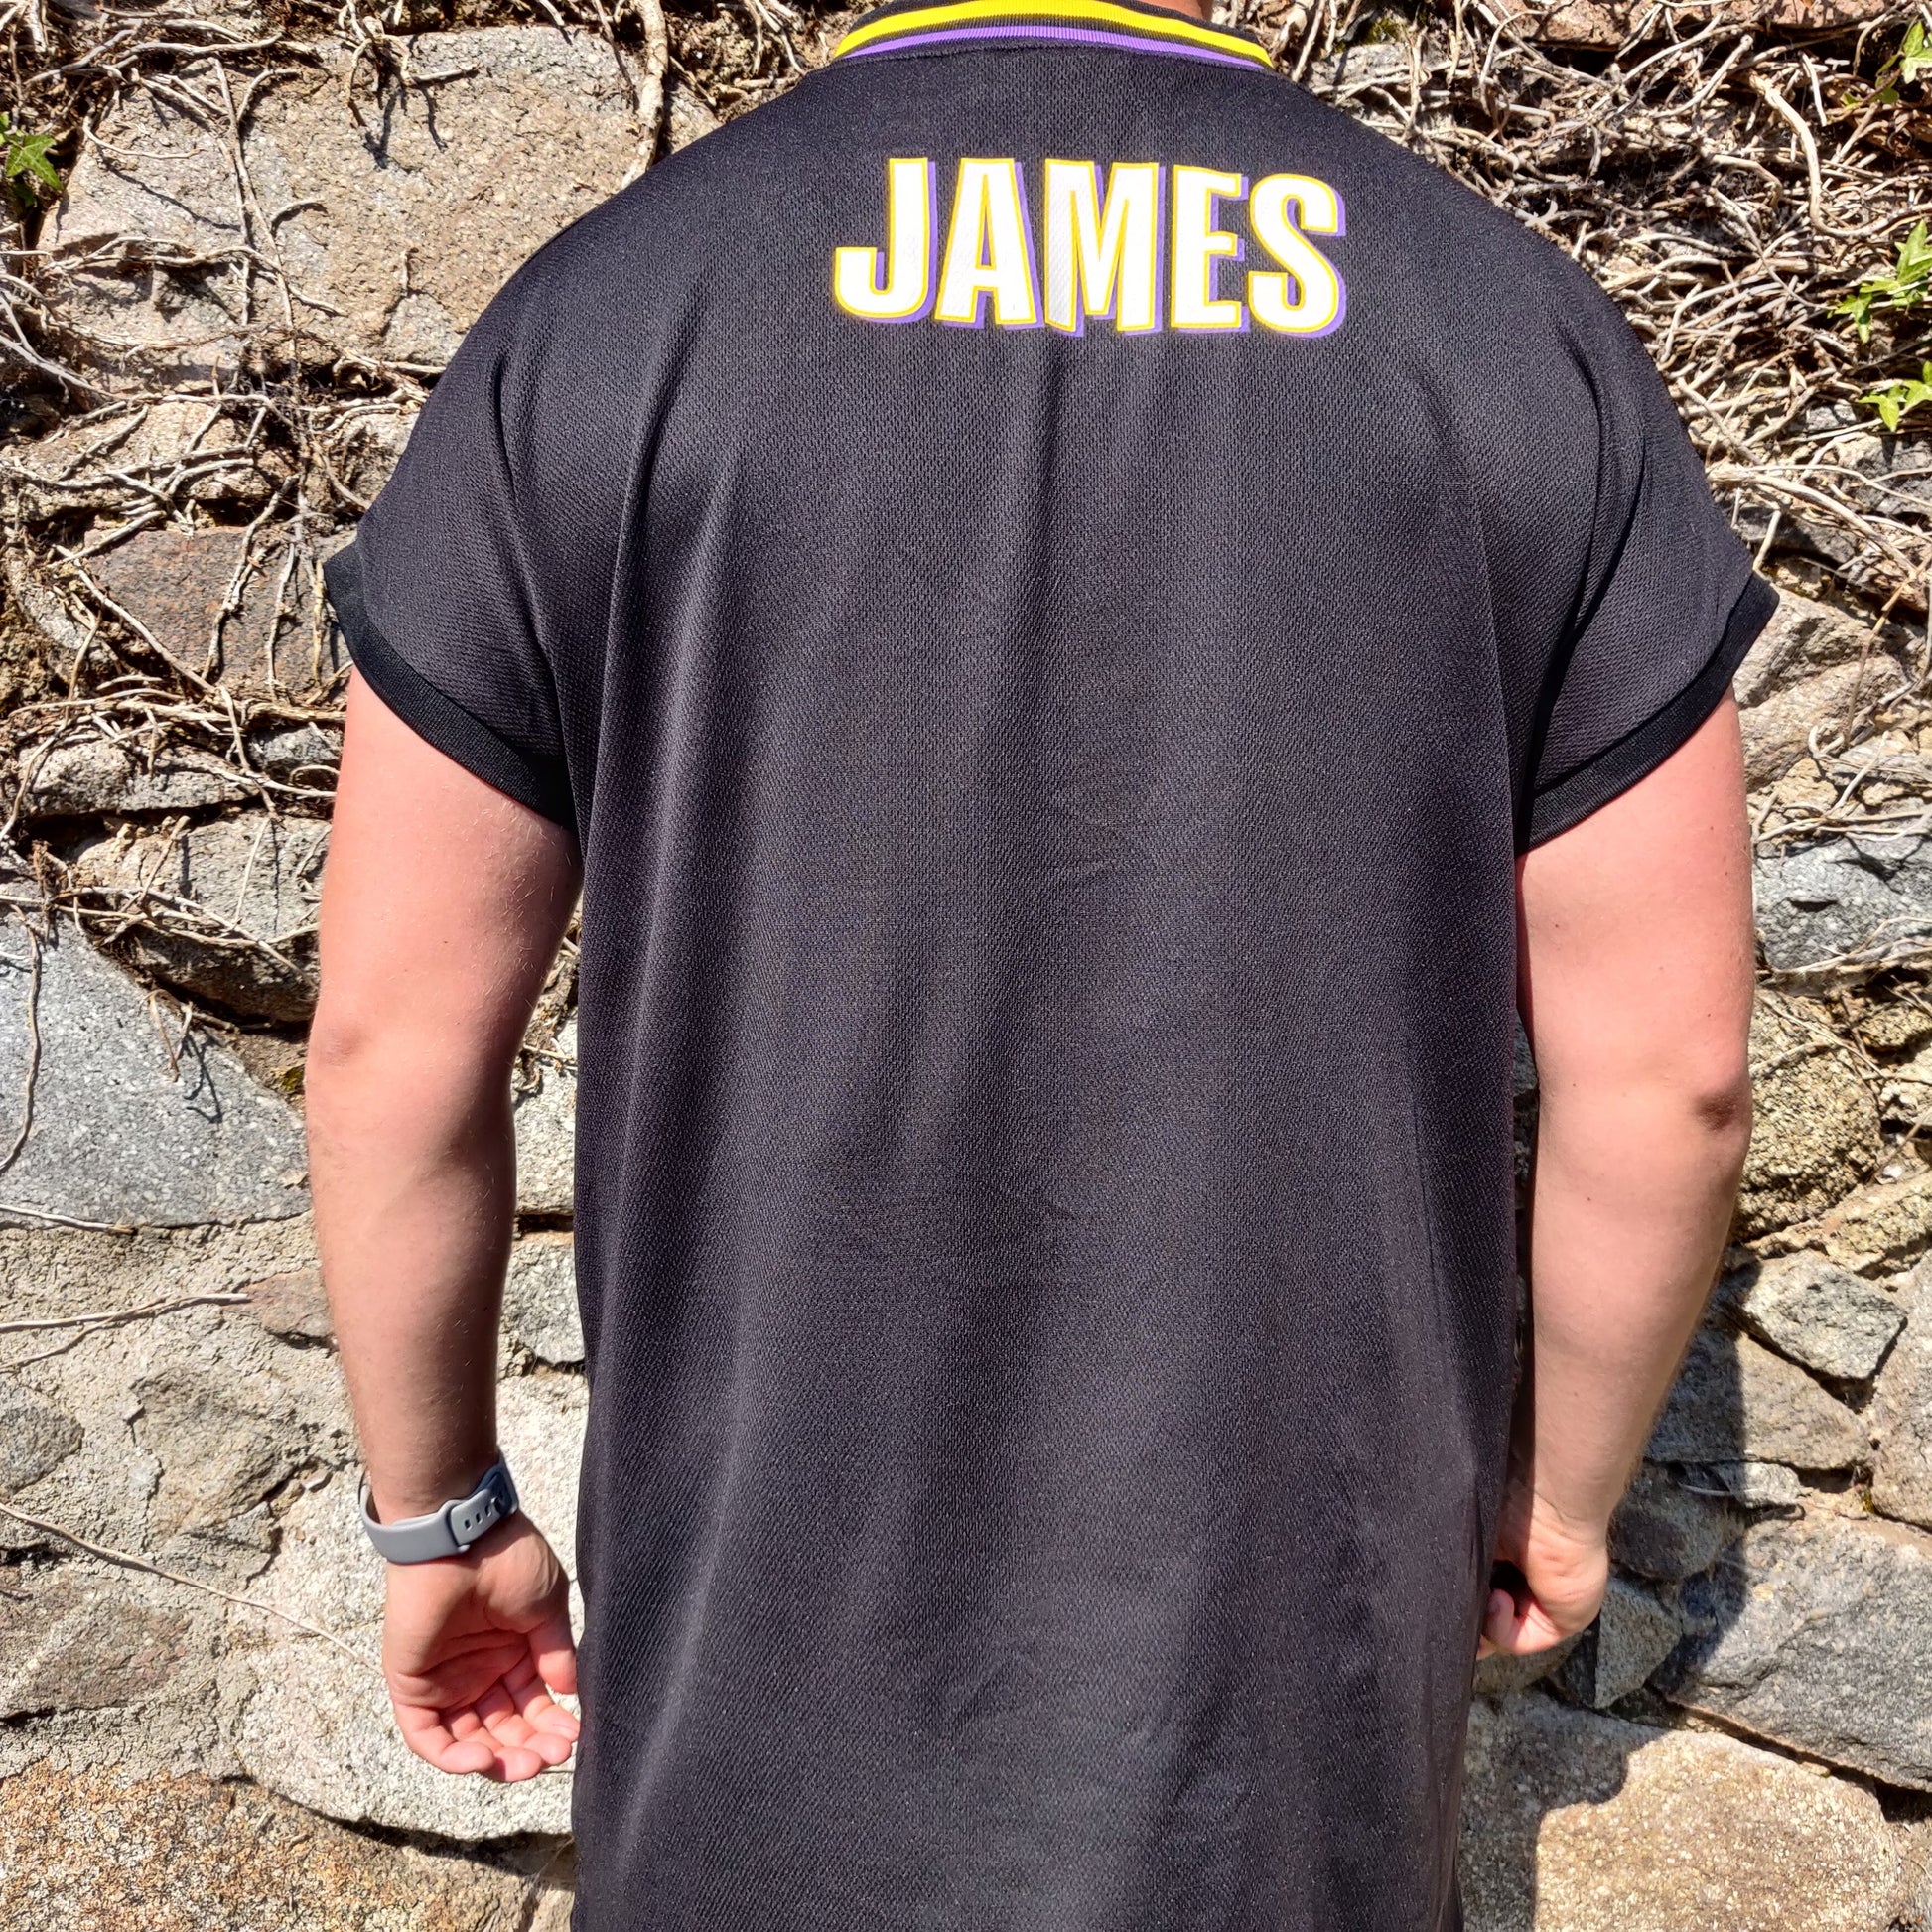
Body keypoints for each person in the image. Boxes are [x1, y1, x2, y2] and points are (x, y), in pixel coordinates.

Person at [306, 0, 1764, 1922]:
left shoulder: (610, 315)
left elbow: (391, 1042)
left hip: (750, 1731)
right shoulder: (1504, 330)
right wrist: (1554, 1498)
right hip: (1279, 1741)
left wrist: (443, 1516)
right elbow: (1671, 1075)